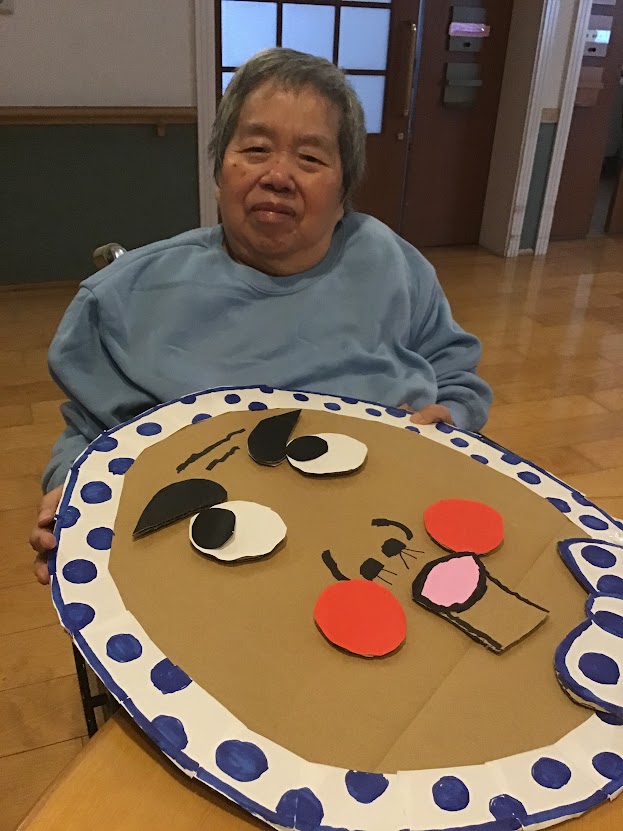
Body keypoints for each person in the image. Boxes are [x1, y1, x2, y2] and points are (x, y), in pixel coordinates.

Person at [29, 47, 492, 584]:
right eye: (255, 149)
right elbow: (89, 432)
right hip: (206, 554)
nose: (278, 176)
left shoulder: (391, 262)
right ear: (219, 171)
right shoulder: (125, 295)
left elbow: (454, 370)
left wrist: (451, 415)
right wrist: (67, 491)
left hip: (381, 535)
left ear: (344, 191)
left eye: (310, 158)